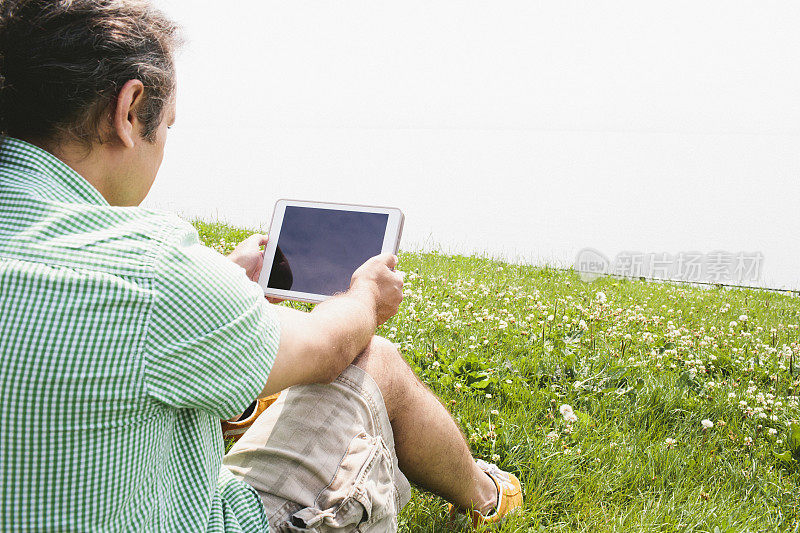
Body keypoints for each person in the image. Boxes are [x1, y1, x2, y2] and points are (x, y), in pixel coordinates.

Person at [0, 1, 523, 531]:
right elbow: (323, 348)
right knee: (376, 360)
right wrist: (365, 295)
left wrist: (221, 288)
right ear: (130, 111)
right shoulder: (149, 268)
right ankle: (488, 496)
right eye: (170, 125)